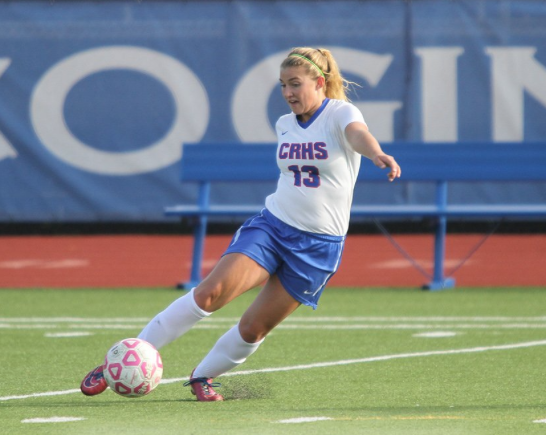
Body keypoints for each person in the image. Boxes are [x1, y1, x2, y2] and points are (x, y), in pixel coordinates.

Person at [80, 46, 401, 402]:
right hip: (273, 227)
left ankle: (203, 376)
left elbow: (357, 134)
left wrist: (376, 153)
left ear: (320, 83)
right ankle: (115, 365)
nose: (288, 93)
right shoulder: (284, 124)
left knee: (253, 327)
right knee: (209, 294)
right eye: (282, 85)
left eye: (295, 84)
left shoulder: (341, 112)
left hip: (319, 247)